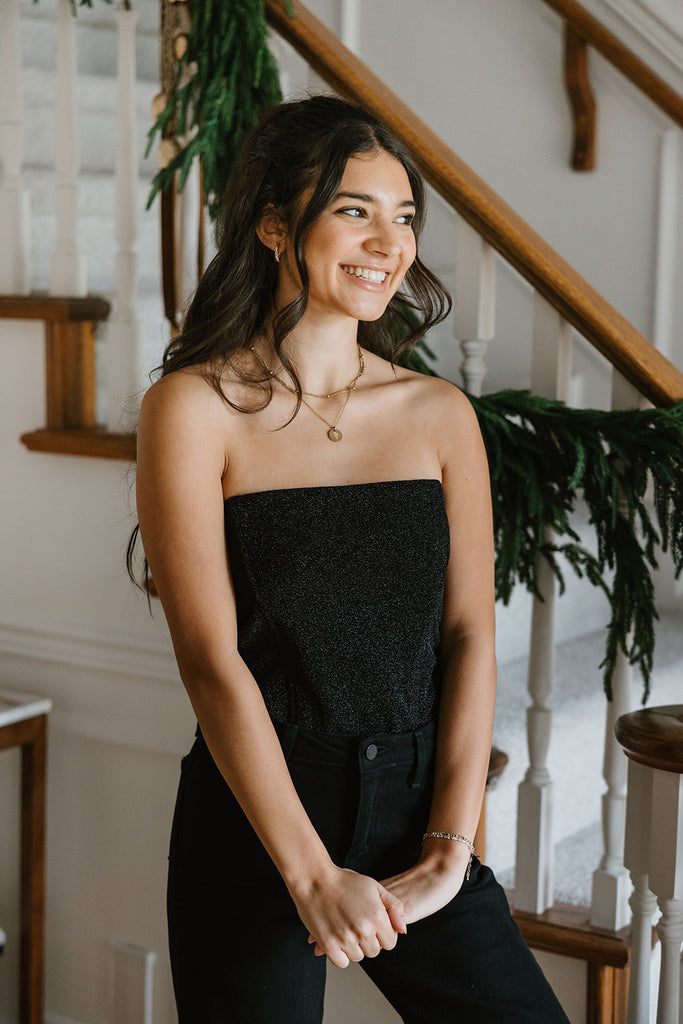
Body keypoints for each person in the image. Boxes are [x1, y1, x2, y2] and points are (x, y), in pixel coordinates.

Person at [133, 95, 569, 1023]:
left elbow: (467, 635)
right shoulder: (192, 410)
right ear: (275, 225)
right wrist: (307, 873)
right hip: (257, 816)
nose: (388, 242)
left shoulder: (438, 416)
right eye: (354, 210)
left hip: (417, 811)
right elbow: (211, 663)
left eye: (403, 216)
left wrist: (451, 846)